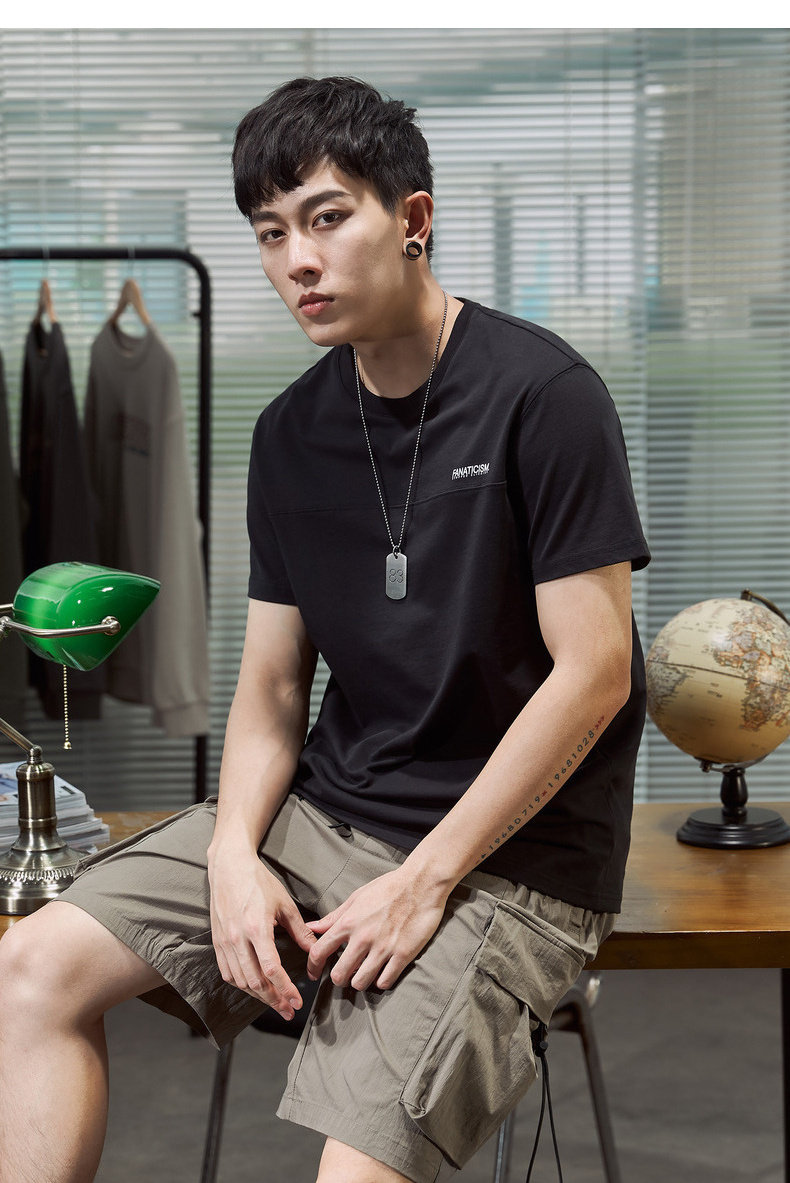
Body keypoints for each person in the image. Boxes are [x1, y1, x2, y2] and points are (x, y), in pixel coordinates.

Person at [0, 76, 650, 1183]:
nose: (297, 260)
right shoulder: (290, 432)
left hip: (509, 859)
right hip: (327, 814)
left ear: (413, 219)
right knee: (32, 968)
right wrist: (230, 854)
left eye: (327, 217)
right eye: (270, 233)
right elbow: (270, 686)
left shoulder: (544, 395)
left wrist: (425, 879)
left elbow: (593, 676)